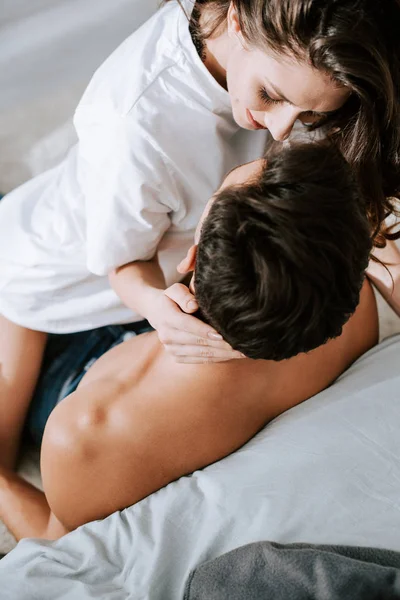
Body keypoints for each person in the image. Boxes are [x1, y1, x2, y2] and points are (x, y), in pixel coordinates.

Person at [0, 0, 399, 471]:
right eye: (270, 95)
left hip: (165, 251)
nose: (280, 129)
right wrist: (155, 308)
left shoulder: (287, 43)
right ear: (236, 20)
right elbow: (122, 263)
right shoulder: (134, 125)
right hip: (58, 281)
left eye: (308, 116)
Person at [0, 145, 377, 541]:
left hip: (70, 372)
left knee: (21, 241)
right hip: (151, 343)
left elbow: (52, 536)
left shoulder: (87, 434)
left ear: (192, 256)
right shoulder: (353, 308)